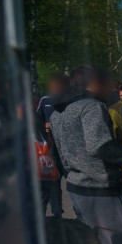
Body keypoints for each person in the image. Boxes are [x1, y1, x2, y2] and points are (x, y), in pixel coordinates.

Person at [50, 65, 122, 244]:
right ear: (95, 83)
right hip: (99, 189)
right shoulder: (91, 107)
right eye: (109, 83)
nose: (113, 88)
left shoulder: (57, 112)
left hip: (76, 188)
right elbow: (99, 145)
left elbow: (59, 151)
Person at [35, 72, 69, 216]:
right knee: (52, 182)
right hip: (51, 147)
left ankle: (80, 218)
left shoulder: (70, 99)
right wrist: (45, 126)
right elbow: (37, 121)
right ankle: (55, 214)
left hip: (67, 147)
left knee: (72, 181)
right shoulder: (45, 99)